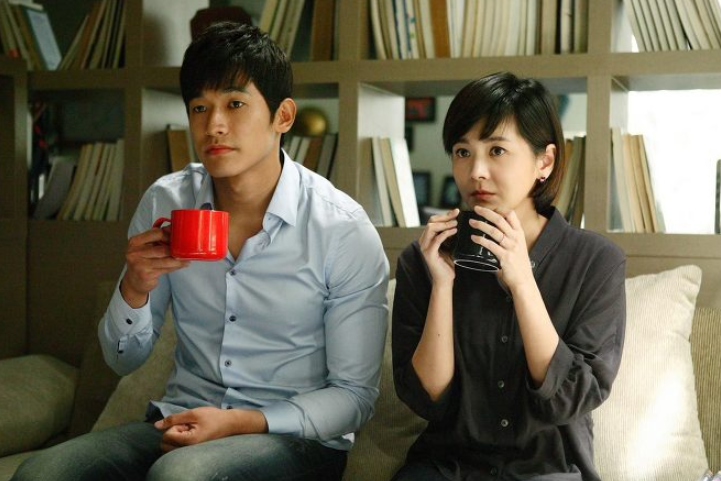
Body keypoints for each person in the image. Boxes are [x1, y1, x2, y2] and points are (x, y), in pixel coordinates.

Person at [13, 22, 388, 481]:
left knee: (182, 476)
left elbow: (354, 397)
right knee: (42, 473)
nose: (214, 126)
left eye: (235, 104)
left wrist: (240, 422)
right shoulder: (166, 202)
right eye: (199, 107)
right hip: (180, 419)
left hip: (294, 439)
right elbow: (121, 360)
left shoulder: (342, 229)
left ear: (284, 116)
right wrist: (134, 288)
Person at [390, 72, 626, 481]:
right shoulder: (423, 258)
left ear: (544, 162)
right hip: (446, 469)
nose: (476, 171)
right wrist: (443, 285)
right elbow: (427, 399)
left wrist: (521, 283)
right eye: (463, 152)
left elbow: (571, 396)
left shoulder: (596, 261)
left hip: (548, 470)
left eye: (497, 150)